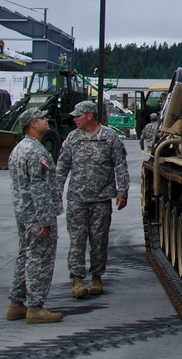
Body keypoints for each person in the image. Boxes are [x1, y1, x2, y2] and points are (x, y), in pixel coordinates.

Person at [55, 100, 129, 298]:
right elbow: (62, 167)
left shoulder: (109, 137)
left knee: (99, 239)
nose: (75, 119)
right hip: (77, 198)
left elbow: (120, 165)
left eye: (78, 115)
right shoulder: (72, 138)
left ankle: (97, 276)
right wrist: (57, 192)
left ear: (89, 115)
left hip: (101, 198)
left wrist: (122, 191)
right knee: (77, 239)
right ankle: (77, 279)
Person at [7, 110, 63, 323]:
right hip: (37, 213)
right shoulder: (36, 151)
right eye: (42, 118)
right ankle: (36, 307)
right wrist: (45, 219)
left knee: (25, 255)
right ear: (32, 123)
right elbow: (38, 187)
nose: (46, 120)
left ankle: (16, 303)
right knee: (39, 258)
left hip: (24, 212)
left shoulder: (19, 149)